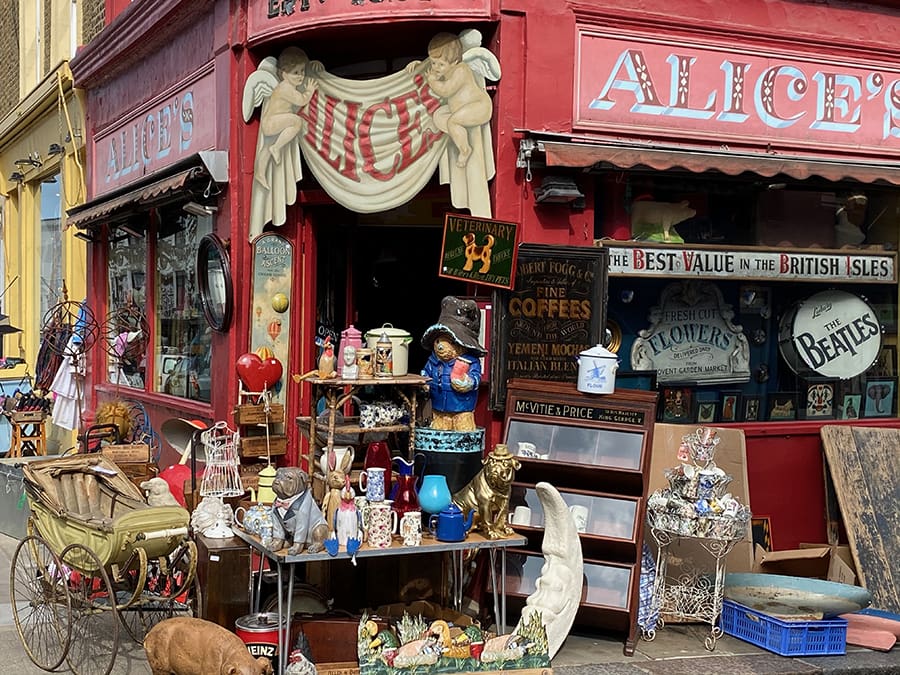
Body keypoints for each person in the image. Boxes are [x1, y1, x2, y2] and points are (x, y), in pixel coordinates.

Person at [425, 33, 494, 168]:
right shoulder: (447, 70)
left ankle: (465, 150)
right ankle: (458, 134)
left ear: (455, 62)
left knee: (453, 122)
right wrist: (417, 66)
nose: (435, 68)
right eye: (433, 63)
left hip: (479, 106)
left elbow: (446, 90)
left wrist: (432, 81)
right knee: (439, 116)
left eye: (440, 64)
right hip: (462, 108)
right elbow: (430, 69)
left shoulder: (460, 70)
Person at [420, 296, 486, 432]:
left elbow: (476, 377)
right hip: (439, 409)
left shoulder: (469, 361)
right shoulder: (433, 361)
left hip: (462, 409)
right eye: (438, 341)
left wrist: (467, 382)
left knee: (463, 432)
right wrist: (424, 382)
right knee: (438, 433)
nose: (440, 347)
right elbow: (426, 373)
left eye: (450, 341)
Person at [255, 47, 318, 184]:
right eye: (295, 72)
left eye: (302, 71)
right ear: (283, 74)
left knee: (265, 147)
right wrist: (310, 91)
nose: (301, 75)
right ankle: (276, 148)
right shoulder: (285, 88)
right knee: (297, 122)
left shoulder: (285, 86)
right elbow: (301, 100)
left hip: (271, 122)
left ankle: (260, 173)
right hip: (273, 122)